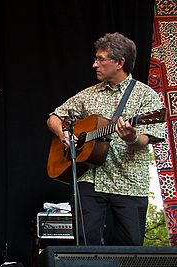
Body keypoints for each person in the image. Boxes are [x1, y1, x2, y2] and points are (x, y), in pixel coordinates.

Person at [47, 32, 165, 246]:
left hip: (128, 182)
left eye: (101, 59)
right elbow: (54, 117)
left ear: (120, 62)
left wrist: (132, 137)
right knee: (85, 244)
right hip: (90, 179)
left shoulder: (146, 95)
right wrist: (63, 133)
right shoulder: (88, 94)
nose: (94, 64)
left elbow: (146, 139)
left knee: (130, 247)